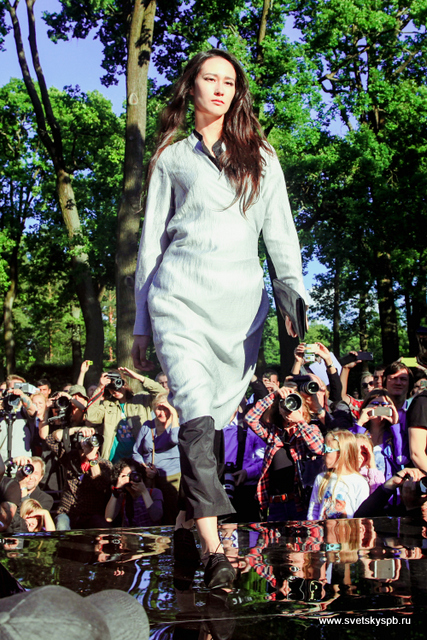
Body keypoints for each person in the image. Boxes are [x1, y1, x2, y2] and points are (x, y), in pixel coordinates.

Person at [131, 49, 306, 588]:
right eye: (210, 78)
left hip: (238, 314)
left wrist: (293, 300)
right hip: (178, 300)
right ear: (191, 87)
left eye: (229, 81)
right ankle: (215, 550)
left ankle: (187, 524)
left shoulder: (262, 157)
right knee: (194, 412)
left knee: (212, 420)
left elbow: (281, 234)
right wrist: (141, 324)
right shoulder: (171, 158)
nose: (220, 88)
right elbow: (150, 244)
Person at [245, 386, 324, 521]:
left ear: (303, 409)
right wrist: (274, 395)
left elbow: (318, 448)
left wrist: (300, 421)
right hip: (275, 504)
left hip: (299, 504)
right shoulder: (273, 433)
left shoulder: (310, 429)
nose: (291, 408)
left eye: (296, 404)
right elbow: (250, 419)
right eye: (286, 404)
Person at [86, 367, 164, 463]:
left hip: (141, 458)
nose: (115, 390)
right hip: (114, 459)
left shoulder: (141, 400)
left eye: (118, 384)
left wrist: (139, 378)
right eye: (111, 387)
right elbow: (91, 417)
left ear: (124, 383)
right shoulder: (107, 405)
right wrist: (100, 387)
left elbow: (162, 394)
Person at [132, 393, 180, 524]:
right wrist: (144, 467)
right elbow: (136, 452)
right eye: (159, 409)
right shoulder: (147, 426)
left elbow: (175, 439)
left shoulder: (177, 425)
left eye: (166, 409)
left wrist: (174, 414)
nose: (162, 413)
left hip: (172, 478)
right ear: (154, 409)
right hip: (150, 479)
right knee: (153, 516)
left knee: (171, 514)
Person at [307, 430, 369, 520]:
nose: (323, 453)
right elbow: (313, 510)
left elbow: (362, 515)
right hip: (323, 528)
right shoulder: (321, 478)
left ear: (341, 453)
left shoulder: (359, 482)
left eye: (326, 449)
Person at [349, 388, 409, 480]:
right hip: (361, 485)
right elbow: (347, 454)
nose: (379, 407)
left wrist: (396, 425)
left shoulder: (395, 434)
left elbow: (402, 459)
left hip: (387, 487)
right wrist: (360, 424)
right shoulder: (354, 431)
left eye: (384, 405)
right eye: (375, 404)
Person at [105, 458, 163, 527]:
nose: (130, 479)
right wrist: (116, 492)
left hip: (150, 532)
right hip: (130, 533)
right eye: (124, 476)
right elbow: (108, 518)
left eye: (133, 474)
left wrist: (144, 492)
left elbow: (156, 517)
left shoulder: (154, 492)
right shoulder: (122, 497)